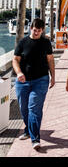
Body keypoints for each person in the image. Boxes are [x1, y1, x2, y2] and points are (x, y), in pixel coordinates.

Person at [13, 18, 55, 150]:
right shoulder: (23, 42)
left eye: (39, 31)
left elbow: (50, 60)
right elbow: (15, 59)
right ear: (31, 28)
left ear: (43, 30)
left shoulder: (45, 43)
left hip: (40, 80)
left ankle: (35, 138)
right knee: (24, 109)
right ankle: (28, 130)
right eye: (34, 30)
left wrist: (53, 76)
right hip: (23, 81)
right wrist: (19, 73)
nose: (36, 32)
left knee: (34, 109)